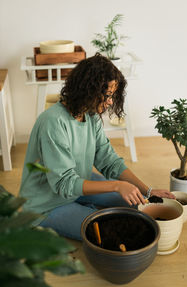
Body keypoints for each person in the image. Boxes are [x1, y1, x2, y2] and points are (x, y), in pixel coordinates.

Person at [20, 53, 175, 240]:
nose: (110, 101)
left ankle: (85, 207)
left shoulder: (90, 115)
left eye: (113, 95)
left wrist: (147, 191)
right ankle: (81, 212)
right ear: (89, 89)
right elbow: (64, 184)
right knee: (111, 231)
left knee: (141, 204)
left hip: (78, 182)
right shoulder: (52, 122)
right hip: (46, 203)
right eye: (108, 95)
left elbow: (109, 161)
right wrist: (117, 186)